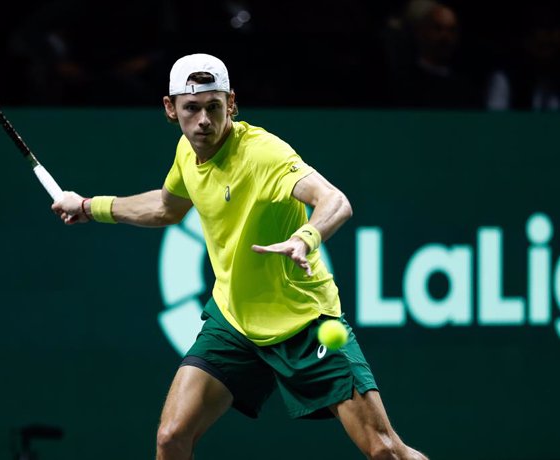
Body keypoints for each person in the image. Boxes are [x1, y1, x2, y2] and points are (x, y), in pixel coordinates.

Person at [51, 53, 428, 460]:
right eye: (191, 109)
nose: (203, 121)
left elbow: (334, 200)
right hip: (234, 322)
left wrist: (305, 237)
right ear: (170, 108)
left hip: (303, 322)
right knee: (171, 437)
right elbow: (167, 208)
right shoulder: (187, 150)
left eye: (214, 107)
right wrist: (91, 206)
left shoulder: (263, 154)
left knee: (385, 450)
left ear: (231, 103)